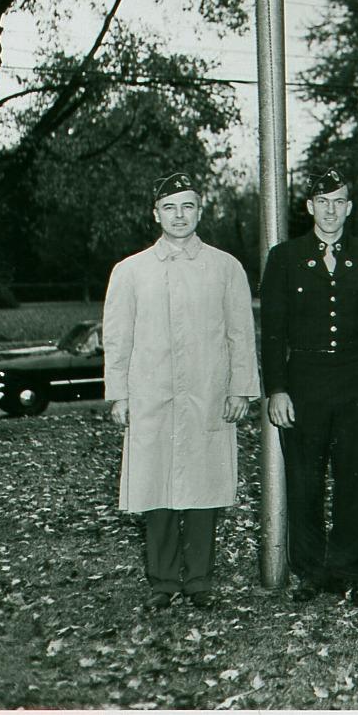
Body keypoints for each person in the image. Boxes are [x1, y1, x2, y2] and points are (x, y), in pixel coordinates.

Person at [103, 171, 260, 609]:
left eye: (187, 206)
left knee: (202, 487)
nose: (179, 215)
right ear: (155, 214)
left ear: (200, 210)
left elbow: (239, 333)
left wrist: (241, 389)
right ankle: (163, 581)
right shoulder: (130, 271)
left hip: (206, 394)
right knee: (156, 489)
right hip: (151, 395)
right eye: (169, 207)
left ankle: (200, 581)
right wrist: (119, 394)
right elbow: (117, 338)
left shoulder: (225, 267)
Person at [259, 166, 358, 603]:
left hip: (356, 381)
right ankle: (310, 570)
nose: (331, 210)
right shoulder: (285, 257)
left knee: (354, 478)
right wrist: (276, 389)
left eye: (339, 201)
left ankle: (347, 569)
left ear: (349, 207)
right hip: (304, 383)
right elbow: (273, 332)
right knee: (305, 481)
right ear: (309, 207)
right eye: (323, 201)